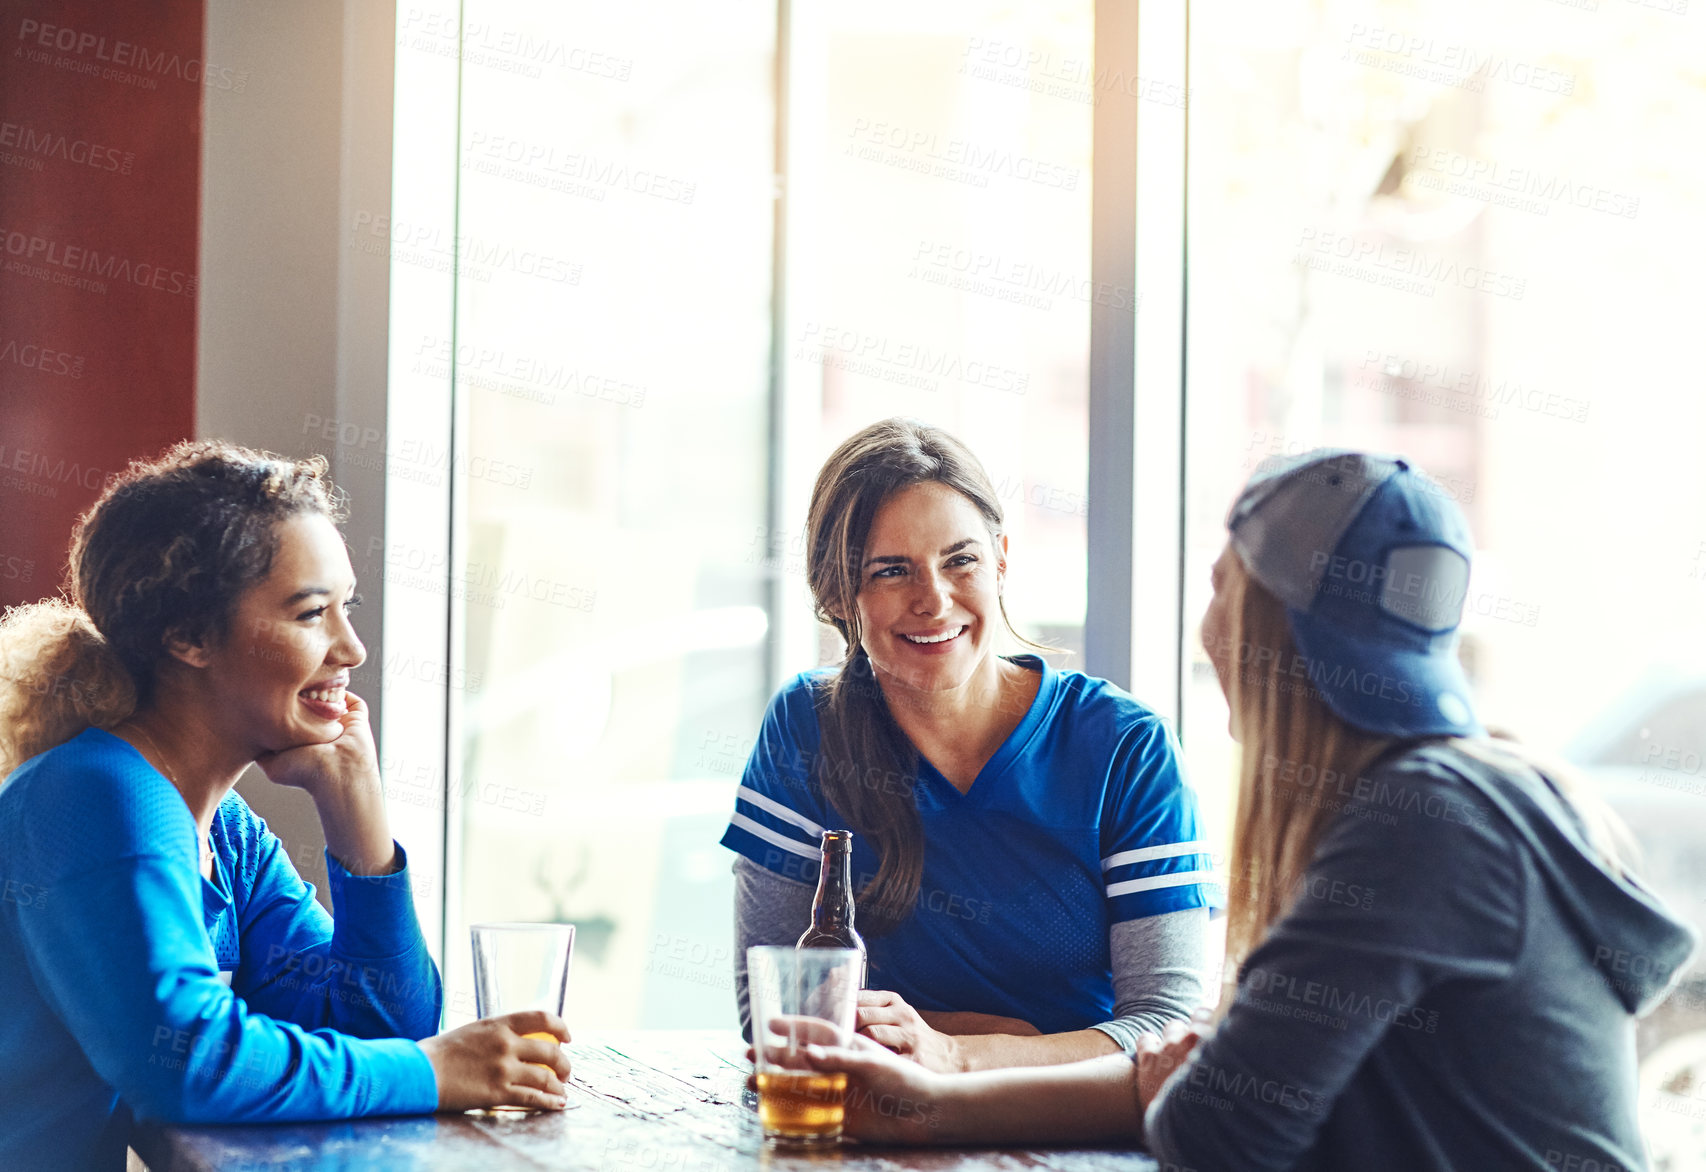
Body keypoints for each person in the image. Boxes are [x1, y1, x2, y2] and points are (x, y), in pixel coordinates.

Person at [791, 448, 1698, 1169]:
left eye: (1223, 585)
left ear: (1275, 628)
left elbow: (1217, 1130)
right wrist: (925, 1098)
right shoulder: (1456, 795)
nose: (1207, 621)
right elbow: (1216, 1083)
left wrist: (1179, 1076)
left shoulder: (1418, 828)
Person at [0, 442, 572, 1172]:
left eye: (347, 609)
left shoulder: (224, 830)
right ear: (187, 636)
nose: (352, 647)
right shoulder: (97, 793)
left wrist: (358, 813)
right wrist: (433, 1072)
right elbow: (187, 1063)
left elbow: (380, 1025)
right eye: (310, 614)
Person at [721, 418, 1221, 1072]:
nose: (933, 599)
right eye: (891, 570)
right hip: (878, 1136)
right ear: (840, 594)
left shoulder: (1126, 747)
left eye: (961, 560)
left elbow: (1168, 1034)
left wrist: (955, 1052)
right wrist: (1026, 1039)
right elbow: (774, 1012)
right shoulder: (807, 725)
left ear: (1002, 560)